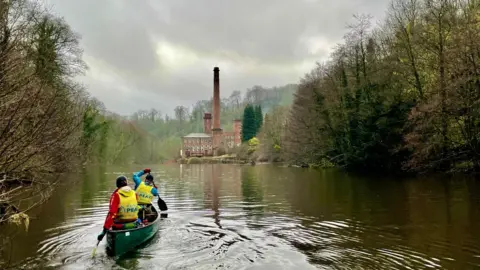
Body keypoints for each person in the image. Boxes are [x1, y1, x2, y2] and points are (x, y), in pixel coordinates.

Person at [97, 176, 141, 241]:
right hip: (134, 222)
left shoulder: (116, 195)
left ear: (117, 185)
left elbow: (112, 214)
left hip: (120, 223)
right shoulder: (135, 193)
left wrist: (104, 231)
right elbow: (136, 205)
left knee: (111, 215)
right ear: (126, 184)